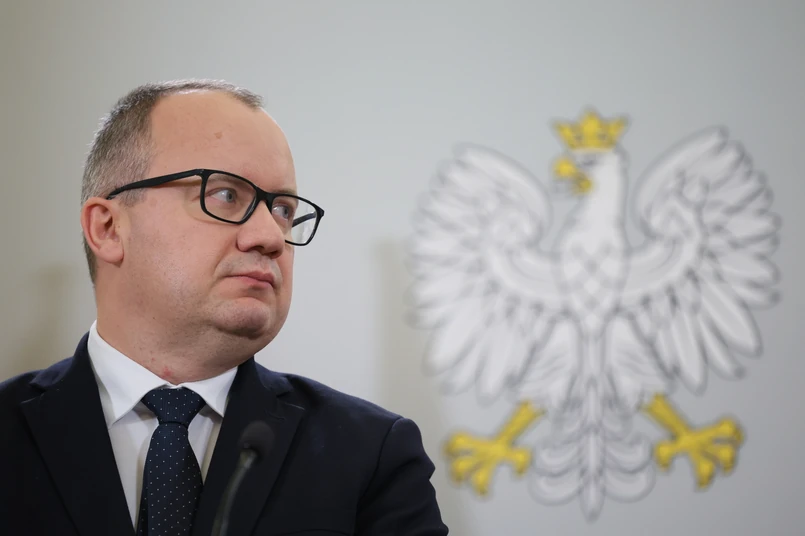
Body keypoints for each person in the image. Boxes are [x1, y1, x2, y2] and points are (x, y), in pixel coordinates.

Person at [0, 79, 448, 536]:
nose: (271, 237)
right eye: (226, 195)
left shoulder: (371, 455)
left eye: (283, 210)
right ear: (109, 228)